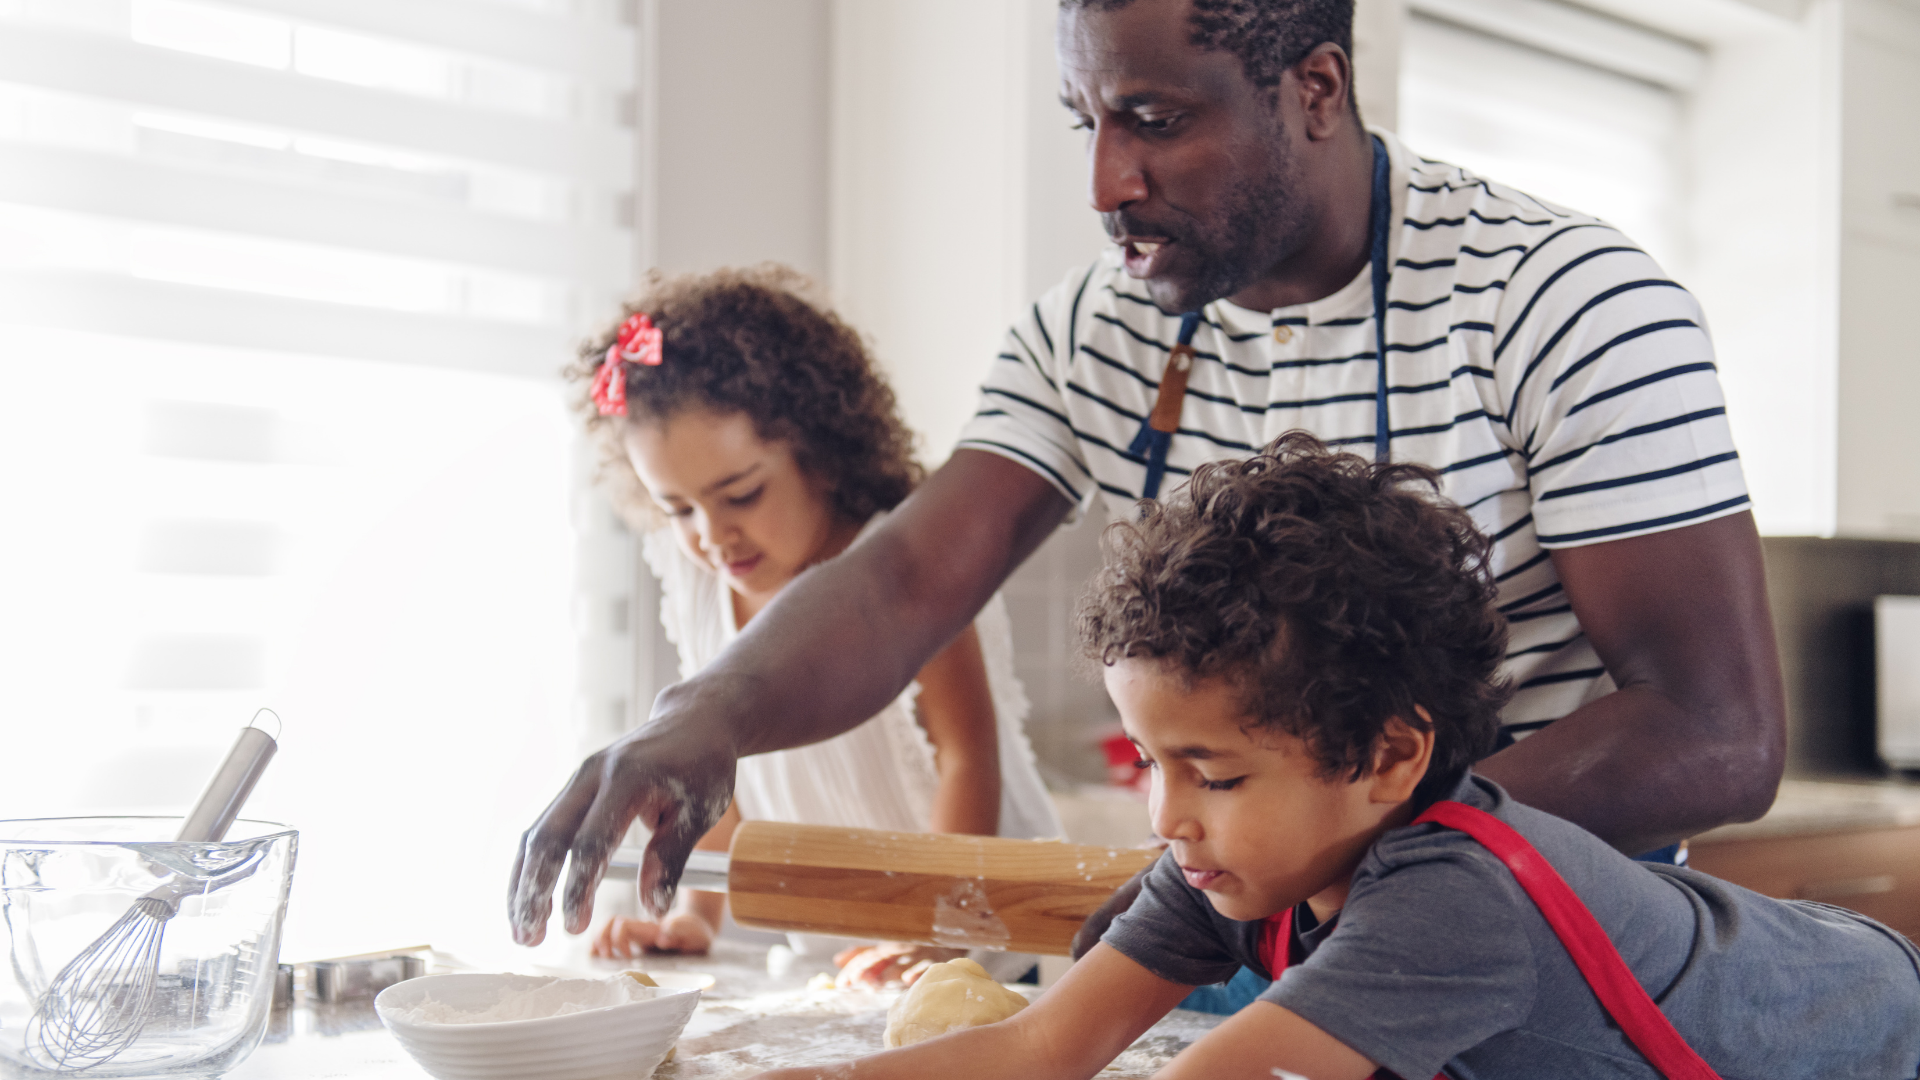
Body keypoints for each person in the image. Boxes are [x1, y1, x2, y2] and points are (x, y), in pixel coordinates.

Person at [507, 0, 1784, 957]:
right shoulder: (1095, 333)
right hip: (1240, 939)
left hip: (1542, 938)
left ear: (1317, 89)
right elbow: (900, 578)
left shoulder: (1564, 304)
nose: (1108, 182)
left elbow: (1718, 735)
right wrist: (704, 714)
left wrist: (1351, 846)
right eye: (1091, 122)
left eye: (1157, 122)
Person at [749, 434, 1920, 1080]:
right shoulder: (1235, 863)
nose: (1167, 817)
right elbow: (1047, 1043)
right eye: (1156, 763)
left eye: (1212, 773)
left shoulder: (1454, 902)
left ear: (1388, 757)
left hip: (1859, 1036)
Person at [569, 265, 1061, 983]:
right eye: (679, 509)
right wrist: (693, 917)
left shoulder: (907, 574)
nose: (712, 535)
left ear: (822, 456)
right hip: (832, 950)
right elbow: (720, 777)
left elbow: (967, 758)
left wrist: (937, 933)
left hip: (981, 942)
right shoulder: (702, 587)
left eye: (741, 494)